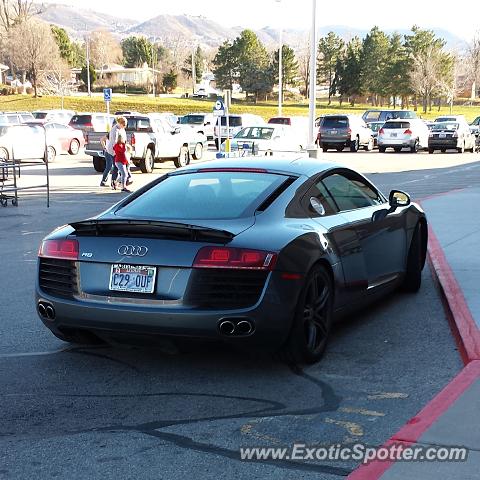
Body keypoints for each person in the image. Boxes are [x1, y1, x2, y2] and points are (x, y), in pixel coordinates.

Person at [100, 116, 126, 187]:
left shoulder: (121, 130)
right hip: (110, 151)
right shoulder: (113, 131)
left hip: (113, 150)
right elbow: (103, 139)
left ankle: (114, 182)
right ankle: (110, 182)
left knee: (115, 166)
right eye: (123, 125)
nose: (124, 127)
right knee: (112, 166)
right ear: (120, 123)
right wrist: (104, 147)